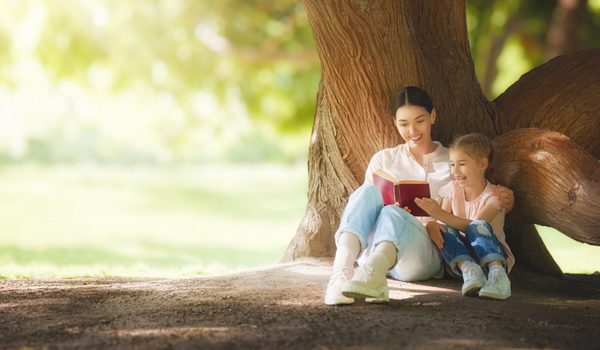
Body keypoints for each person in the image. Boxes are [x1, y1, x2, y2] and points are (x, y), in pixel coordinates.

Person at [324, 86, 514, 305]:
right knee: (367, 192)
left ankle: (374, 272)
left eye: (419, 120)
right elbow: (363, 210)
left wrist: (505, 197)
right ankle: (341, 272)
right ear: (395, 122)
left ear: (432, 116)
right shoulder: (383, 159)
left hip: (424, 252)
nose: (412, 130)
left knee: (393, 214)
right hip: (376, 245)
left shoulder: (452, 161)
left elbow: (477, 192)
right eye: (403, 124)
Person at [415, 133, 514, 300]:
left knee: (477, 226)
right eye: (452, 164)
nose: (455, 170)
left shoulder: (494, 196)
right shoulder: (451, 190)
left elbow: (473, 226)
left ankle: (498, 277)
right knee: (444, 228)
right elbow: (442, 223)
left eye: (462, 164)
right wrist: (433, 222)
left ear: (482, 164)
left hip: (491, 255)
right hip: (462, 258)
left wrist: (439, 213)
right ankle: (470, 270)